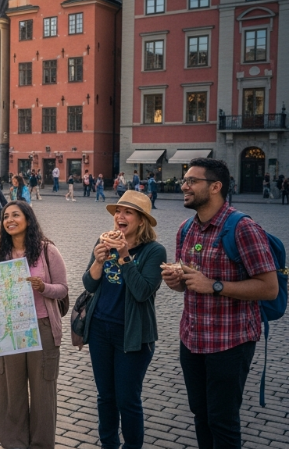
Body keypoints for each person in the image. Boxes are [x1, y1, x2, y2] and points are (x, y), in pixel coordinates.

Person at [162, 158, 278, 449]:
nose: (184, 186)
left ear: (215, 187)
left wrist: (214, 286)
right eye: (184, 180)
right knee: (201, 415)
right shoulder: (185, 229)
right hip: (192, 340)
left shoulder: (243, 228)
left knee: (223, 422)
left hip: (230, 342)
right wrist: (177, 282)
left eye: (192, 181)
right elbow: (190, 284)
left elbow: (269, 288)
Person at [81, 190, 166, 449]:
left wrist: (125, 256)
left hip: (133, 334)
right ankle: (108, 444)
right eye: (118, 211)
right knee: (105, 397)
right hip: (100, 330)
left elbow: (142, 292)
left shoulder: (154, 251)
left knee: (127, 400)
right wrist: (98, 261)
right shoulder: (103, 240)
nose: (120, 215)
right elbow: (89, 284)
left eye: (128, 212)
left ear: (141, 220)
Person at [0, 201, 67, 449]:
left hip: (42, 327)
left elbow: (63, 289)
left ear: (28, 220)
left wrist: (43, 287)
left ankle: (41, 445)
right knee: (12, 391)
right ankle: (14, 443)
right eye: (5, 217)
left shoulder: (47, 251)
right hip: (10, 330)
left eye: (16, 215)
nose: (9, 220)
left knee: (43, 392)